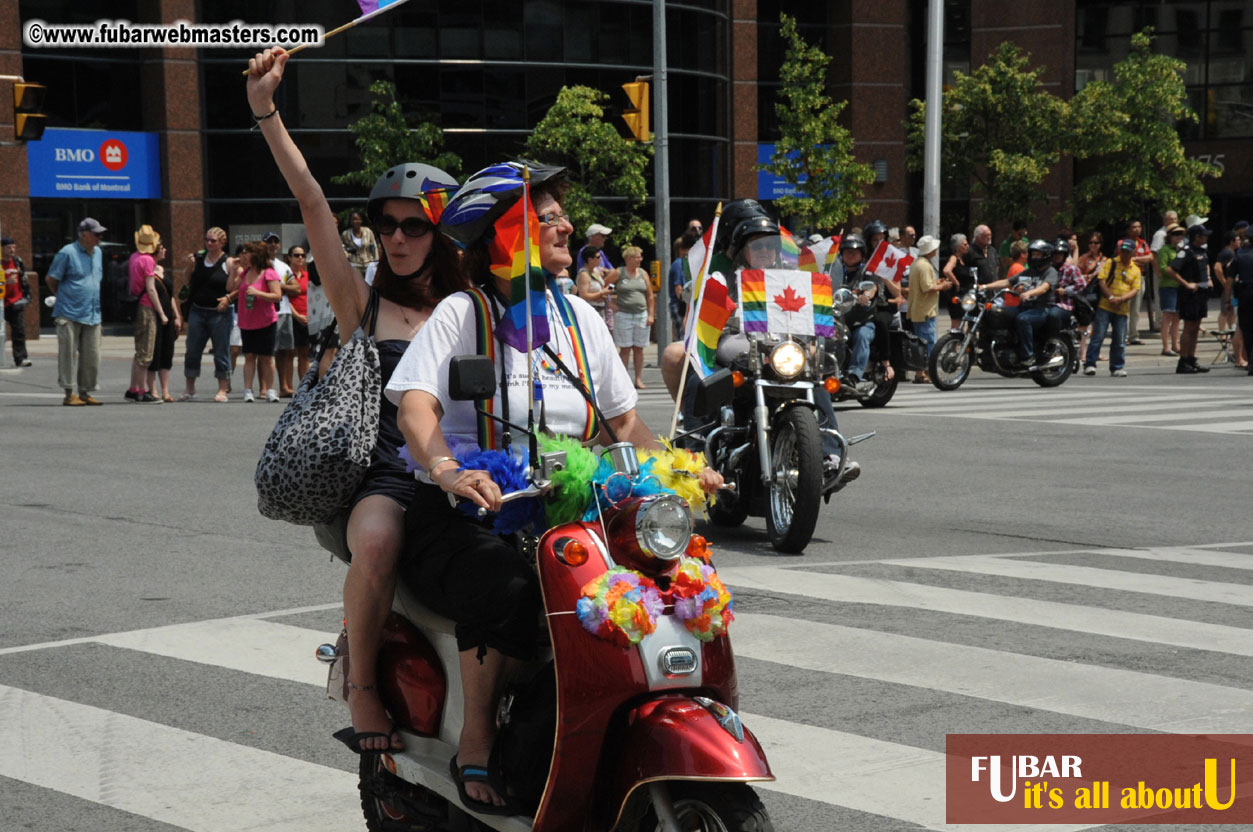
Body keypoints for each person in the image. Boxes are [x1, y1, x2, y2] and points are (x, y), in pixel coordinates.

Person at [388, 164, 720, 813]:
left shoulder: (578, 319)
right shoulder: (464, 313)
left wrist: (681, 469)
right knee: (506, 587)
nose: (567, 226)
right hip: (468, 511)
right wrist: (449, 468)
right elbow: (416, 408)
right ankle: (478, 739)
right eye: (548, 218)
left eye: (563, 216)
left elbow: (623, 424)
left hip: (567, 511)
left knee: (670, 581)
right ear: (507, 235)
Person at [249, 45, 465, 756]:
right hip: (388, 476)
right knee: (376, 542)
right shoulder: (361, 302)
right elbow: (312, 200)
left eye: (414, 225)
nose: (396, 238)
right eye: (386, 224)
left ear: (443, 233)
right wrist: (266, 110)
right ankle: (364, 681)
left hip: (470, 470)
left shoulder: (473, 305)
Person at [48, 218, 107, 406]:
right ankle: (68, 393)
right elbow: (51, 279)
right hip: (69, 313)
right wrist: (62, 297)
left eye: (100, 234)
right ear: (84, 235)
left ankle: (85, 392)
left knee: (92, 356)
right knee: (67, 355)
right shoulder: (67, 252)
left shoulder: (98, 253)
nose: (99, 237)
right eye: (96, 234)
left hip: (92, 313)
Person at [181, 227, 233, 402]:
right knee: (193, 349)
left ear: (222, 243)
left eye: (213, 241)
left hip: (219, 313)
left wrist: (228, 298)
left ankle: (222, 389)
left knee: (221, 351)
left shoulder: (228, 262)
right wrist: (189, 266)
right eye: (207, 240)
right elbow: (187, 280)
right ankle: (190, 388)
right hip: (198, 309)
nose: (209, 243)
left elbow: (236, 286)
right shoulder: (199, 259)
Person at [229, 241, 283, 401]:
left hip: (266, 321)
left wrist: (259, 293)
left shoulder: (269, 273)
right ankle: (248, 390)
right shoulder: (245, 272)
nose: (244, 255)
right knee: (249, 356)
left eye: (247, 252)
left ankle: (270, 389)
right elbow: (231, 288)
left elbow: (277, 295)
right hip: (247, 321)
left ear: (256, 255)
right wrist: (234, 270)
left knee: (266, 357)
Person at [1083, 239, 1140, 377]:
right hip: (1105, 306)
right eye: (1123, 251)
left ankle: (1117, 367)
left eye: (1127, 252)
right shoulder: (1111, 262)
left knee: (1119, 340)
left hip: (1122, 309)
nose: (1124, 254)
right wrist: (1111, 297)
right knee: (1098, 336)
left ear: (1133, 253)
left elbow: (1135, 289)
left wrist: (1121, 299)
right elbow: (1101, 280)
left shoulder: (1135, 269)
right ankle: (1090, 364)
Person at [127, 225, 166, 403]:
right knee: (146, 352)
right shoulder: (148, 261)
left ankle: (133, 388)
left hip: (136, 305)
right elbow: (151, 289)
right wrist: (161, 313)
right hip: (146, 307)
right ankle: (143, 391)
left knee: (139, 351)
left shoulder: (134, 257)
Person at [1169, 222, 1213, 374]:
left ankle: (1191, 359)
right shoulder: (1186, 251)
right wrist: (1186, 284)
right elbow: (1171, 270)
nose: (1206, 238)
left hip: (1201, 291)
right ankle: (1183, 361)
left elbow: (1206, 266)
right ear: (1196, 237)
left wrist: (1209, 278)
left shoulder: (1202, 250)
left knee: (1196, 326)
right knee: (1188, 327)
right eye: (1204, 235)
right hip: (1189, 294)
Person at [906, 235, 950, 383]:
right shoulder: (924, 265)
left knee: (920, 343)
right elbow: (927, 288)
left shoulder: (917, 263)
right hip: (924, 310)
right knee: (928, 343)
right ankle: (929, 372)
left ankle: (920, 373)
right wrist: (942, 286)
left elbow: (924, 284)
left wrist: (937, 282)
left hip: (918, 309)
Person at [612, 245, 655, 388]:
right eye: (637, 257)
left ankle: (638, 379)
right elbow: (605, 287)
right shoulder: (619, 272)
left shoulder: (643, 273)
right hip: (623, 314)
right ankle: (623, 380)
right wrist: (610, 304)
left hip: (641, 314)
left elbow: (649, 295)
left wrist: (651, 314)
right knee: (625, 349)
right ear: (629, 258)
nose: (640, 259)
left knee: (639, 348)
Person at [145, 243, 181, 402]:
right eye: (162, 248)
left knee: (167, 352)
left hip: (168, 315)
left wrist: (177, 315)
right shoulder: (149, 271)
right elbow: (151, 292)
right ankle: (153, 390)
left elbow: (171, 296)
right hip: (154, 316)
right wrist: (161, 314)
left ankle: (165, 390)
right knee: (155, 352)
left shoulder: (162, 269)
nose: (165, 250)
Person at [278, 244, 311, 393]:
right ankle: (288, 387)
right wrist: (296, 315)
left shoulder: (307, 275)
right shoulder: (286, 275)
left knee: (304, 353)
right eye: (296, 255)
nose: (300, 258)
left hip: (307, 317)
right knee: (290, 353)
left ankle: (304, 387)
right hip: (291, 316)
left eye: (303, 255)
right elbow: (285, 298)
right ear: (289, 258)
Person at [1154, 224, 1186, 357]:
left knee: (1177, 317)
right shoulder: (1164, 250)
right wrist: (1178, 277)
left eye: (1181, 234)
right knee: (1167, 316)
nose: (1179, 236)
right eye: (1176, 234)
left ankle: (1175, 345)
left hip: (1179, 287)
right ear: (1169, 236)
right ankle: (1166, 347)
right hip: (1168, 286)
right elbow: (1163, 268)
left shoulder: (1182, 250)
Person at [2, 236, 32, 367]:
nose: (12, 250)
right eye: (8, 247)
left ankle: (20, 358)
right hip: (2, 302)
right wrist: (5, 282)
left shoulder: (17, 262)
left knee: (19, 331)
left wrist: (26, 295)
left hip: (16, 301)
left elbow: (24, 279)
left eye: (13, 247)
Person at [1124, 220, 1153, 345]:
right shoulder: (1123, 243)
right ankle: (1123, 336)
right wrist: (1140, 260)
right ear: (1128, 230)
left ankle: (1133, 335)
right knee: (1125, 308)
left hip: (1140, 277)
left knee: (1136, 309)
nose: (1137, 229)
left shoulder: (1143, 243)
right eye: (1134, 227)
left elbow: (1150, 258)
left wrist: (1135, 258)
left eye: (1139, 227)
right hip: (1126, 277)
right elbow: (1124, 258)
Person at [1229, 232, 1253, 374]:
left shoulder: (1240, 255)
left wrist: (1227, 298)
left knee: (1247, 329)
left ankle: (1250, 361)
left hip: (1244, 294)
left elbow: (1230, 279)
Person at [942, 233, 973, 331]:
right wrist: (956, 282)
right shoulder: (954, 258)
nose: (967, 246)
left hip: (965, 296)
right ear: (957, 247)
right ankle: (954, 340)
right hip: (957, 296)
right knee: (957, 325)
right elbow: (946, 270)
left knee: (964, 324)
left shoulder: (963, 259)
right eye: (965, 244)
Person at [1215, 230, 1240, 348]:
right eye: (1238, 239)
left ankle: (1231, 332)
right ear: (1231, 241)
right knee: (1225, 310)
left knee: (1231, 311)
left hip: (1233, 287)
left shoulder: (1232, 253)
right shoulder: (1227, 253)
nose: (1239, 241)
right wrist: (1225, 283)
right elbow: (1217, 268)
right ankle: (1222, 334)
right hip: (1229, 287)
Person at [341, 211, 379, 280]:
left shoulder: (368, 232)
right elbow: (343, 248)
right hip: (354, 264)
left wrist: (376, 261)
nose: (355, 221)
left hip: (368, 263)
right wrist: (347, 256)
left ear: (361, 220)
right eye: (353, 219)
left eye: (357, 219)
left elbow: (374, 247)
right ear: (350, 221)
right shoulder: (346, 234)